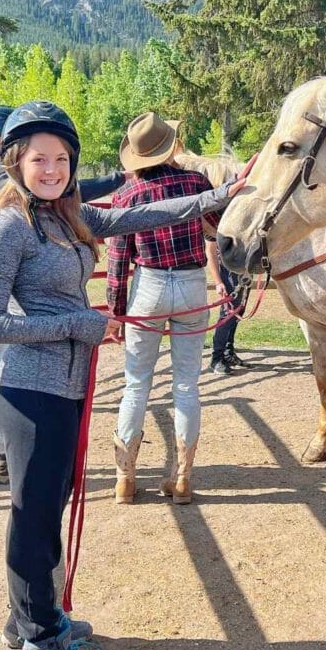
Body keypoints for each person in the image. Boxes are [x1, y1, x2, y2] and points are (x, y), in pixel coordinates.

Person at [0, 101, 236, 650]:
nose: (52, 168)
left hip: (63, 387)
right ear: (15, 161)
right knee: (35, 514)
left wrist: (211, 200)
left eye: (61, 158)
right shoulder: (8, 225)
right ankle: (39, 647)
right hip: (28, 390)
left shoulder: (65, 218)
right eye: (39, 158)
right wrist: (77, 322)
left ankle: (28, 620)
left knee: (48, 503)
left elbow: (142, 216)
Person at [0, 106, 126, 483]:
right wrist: (118, 178)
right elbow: (65, 193)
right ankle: (4, 455)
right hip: (6, 284)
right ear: (1, 142)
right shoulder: (8, 182)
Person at [106, 112, 226, 506]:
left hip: (150, 287)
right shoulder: (194, 182)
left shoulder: (126, 196)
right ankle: (182, 479)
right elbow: (218, 222)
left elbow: (119, 261)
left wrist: (116, 311)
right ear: (172, 146)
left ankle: (125, 479)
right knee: (187, 384)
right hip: (191, 284)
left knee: (136, 383)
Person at [207, 237, 249, 375]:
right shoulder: (215, 219)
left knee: (238, 312)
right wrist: (218, 282)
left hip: (243, 268)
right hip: (227, 269)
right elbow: (210, 250)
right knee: (228, 315)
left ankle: (227, 352)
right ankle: (216, 358)